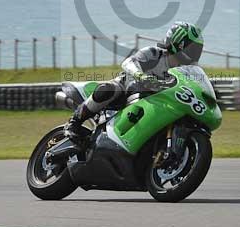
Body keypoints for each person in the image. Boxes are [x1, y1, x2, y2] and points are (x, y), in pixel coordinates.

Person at [64, 21, 204, 139]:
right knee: (107, 89)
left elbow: (196, 85)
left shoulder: (187, 70)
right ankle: (74, 123)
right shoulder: (154, 54)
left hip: (157, 100)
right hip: (127, 88)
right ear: (179, 43)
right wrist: (141, 75)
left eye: (197, 50)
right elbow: (128, 63)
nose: (194, 53)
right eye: (192, 48)